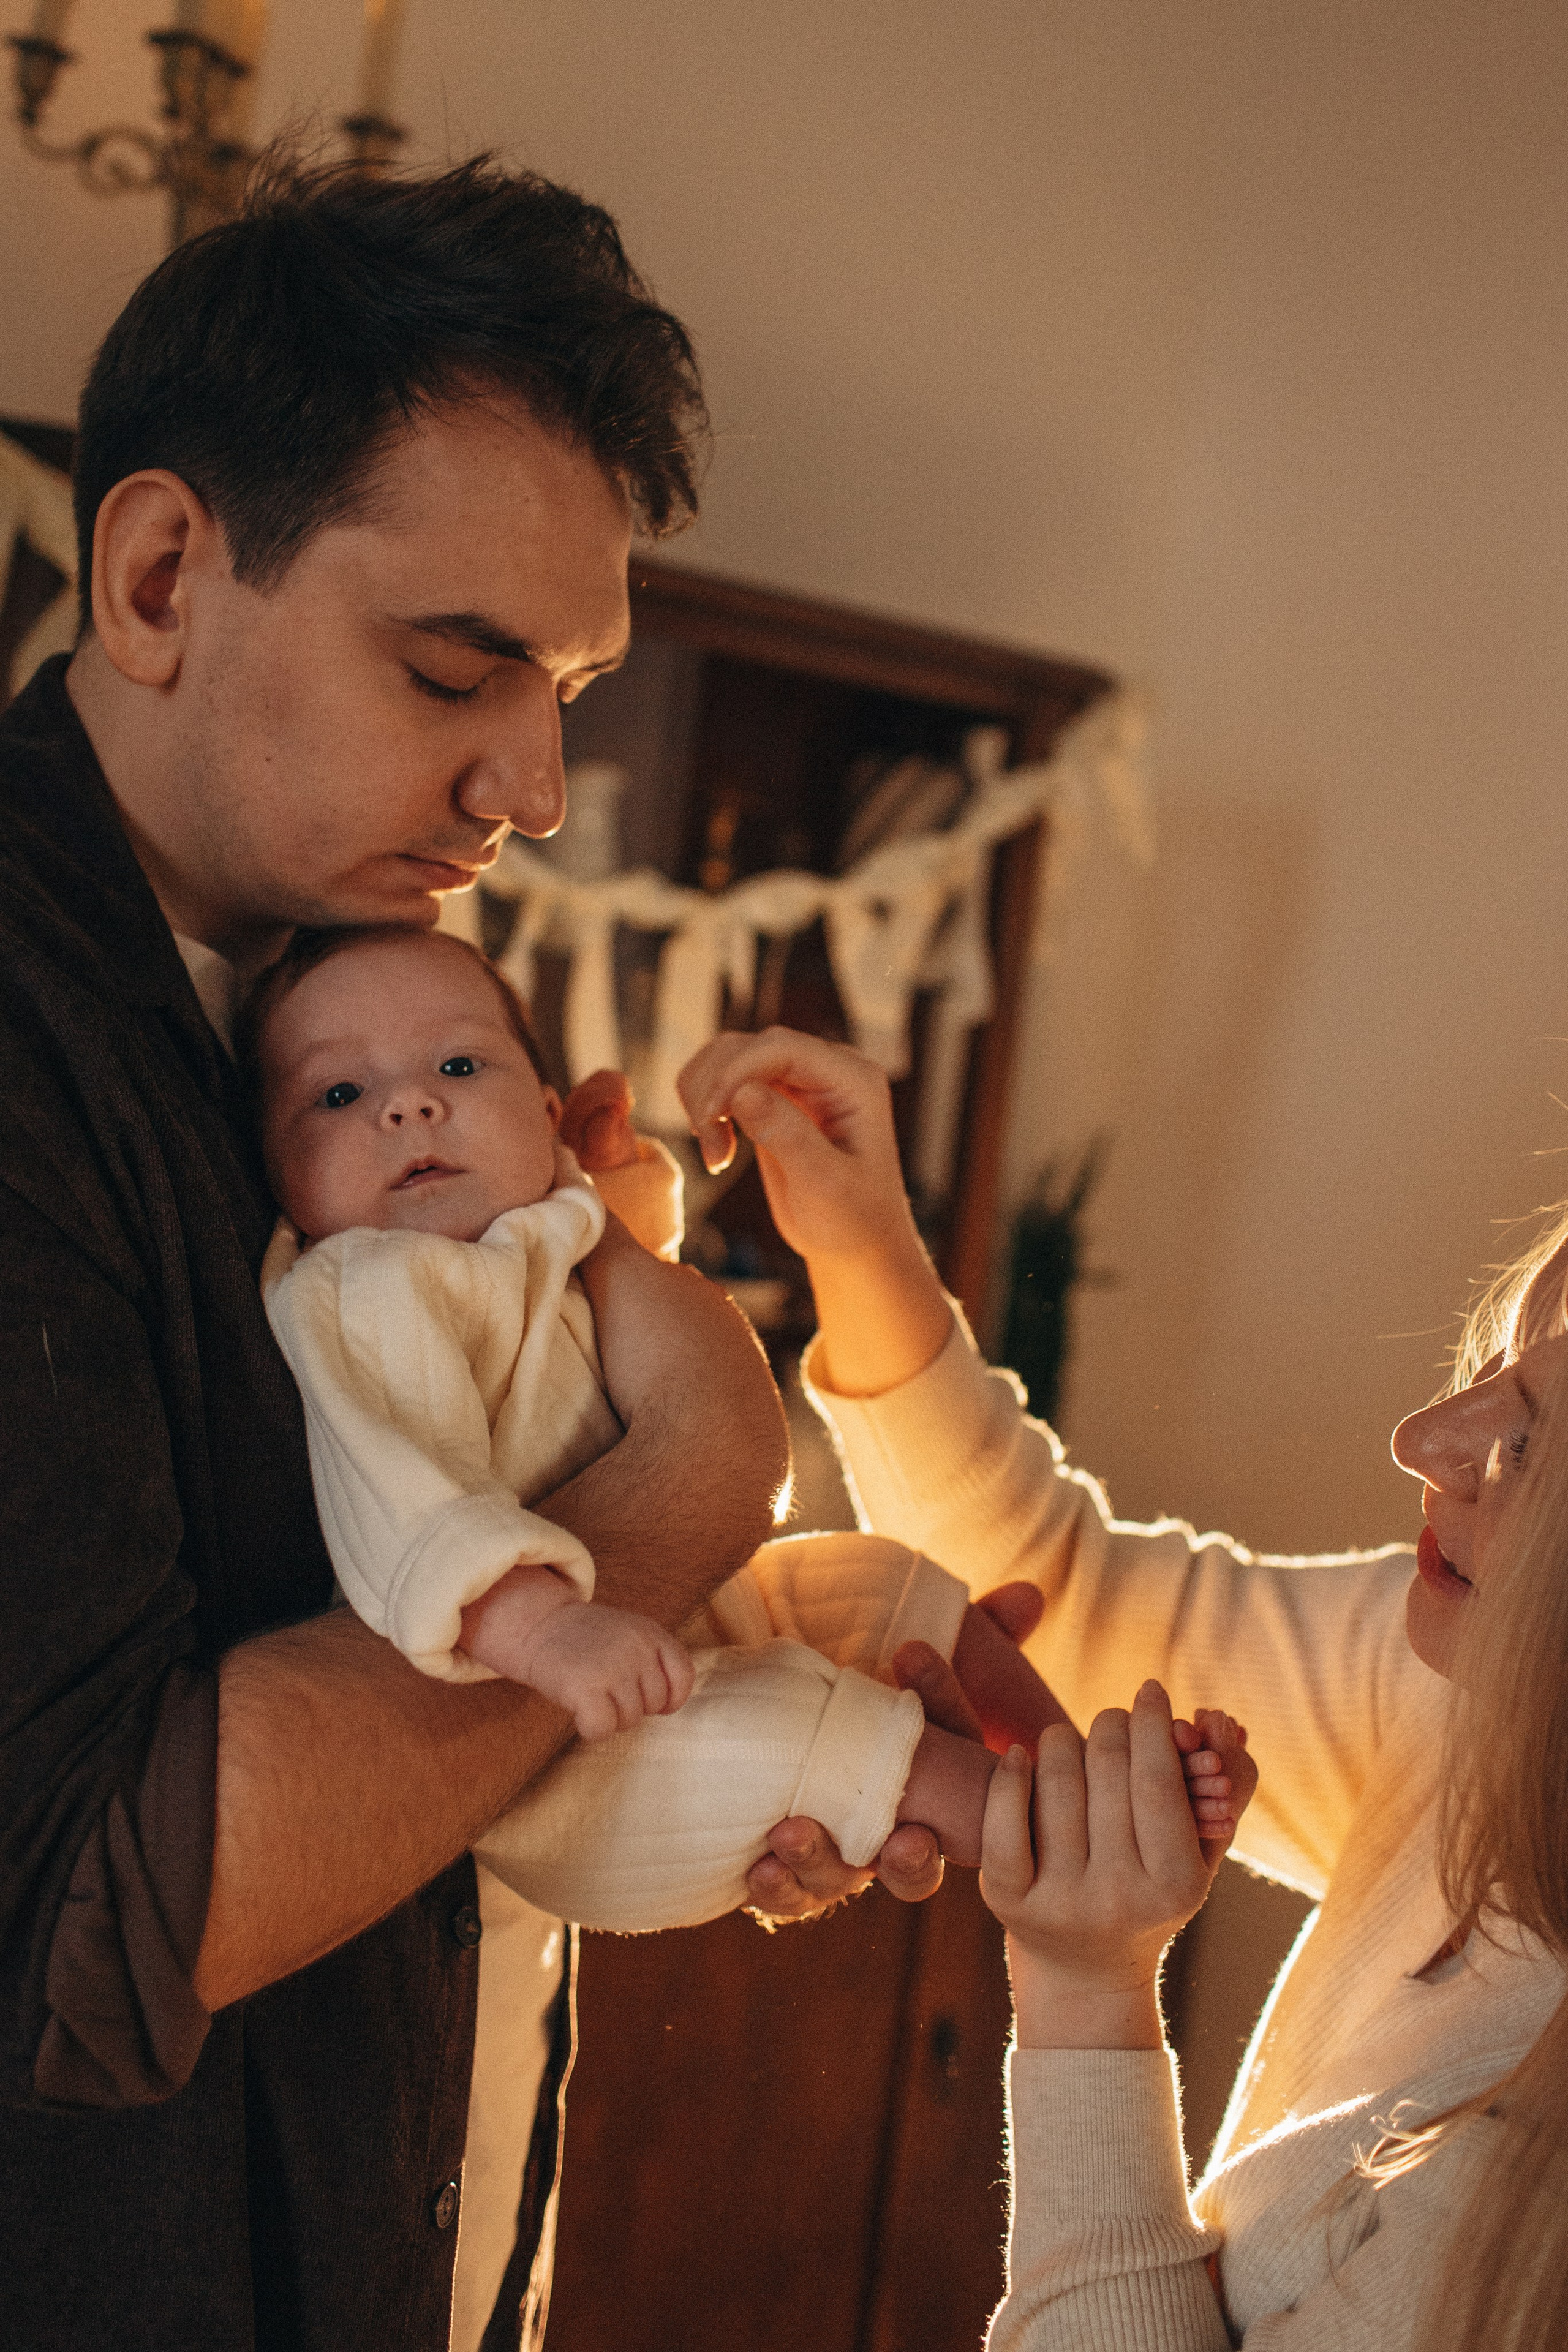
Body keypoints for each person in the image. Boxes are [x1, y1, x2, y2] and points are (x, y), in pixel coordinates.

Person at [0, 157, 941, 2352]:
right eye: (456, 669)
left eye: (572, 685)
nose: (532, 777)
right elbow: (91, 1911)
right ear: (156, 574)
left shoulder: (344, 1003)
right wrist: (689, 1476)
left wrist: (643, 1769)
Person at [679, 1023, 1568, 2352]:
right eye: (1492, 1365)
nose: (1420, 1440)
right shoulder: (1473, 1696)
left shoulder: (1524, 2189)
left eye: (1526, 1444)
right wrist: (862, 1247)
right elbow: (1066, 1598)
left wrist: (1086, 1991)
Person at [247, 918, 1108, 1930]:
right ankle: (1067, 1846)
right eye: (341, 1094)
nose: (411, 1103)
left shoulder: (539, 1226)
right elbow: (406, 1502)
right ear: (279, 1184)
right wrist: (546, 1631)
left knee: (880, 1580)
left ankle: (1088, 1778)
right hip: (567, 1760)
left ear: (546, 1111)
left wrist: (611, 1178)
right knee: (796, 1723)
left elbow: (621, 1276)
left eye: (459, 1063)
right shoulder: (366, 1286)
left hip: (675, 1625)